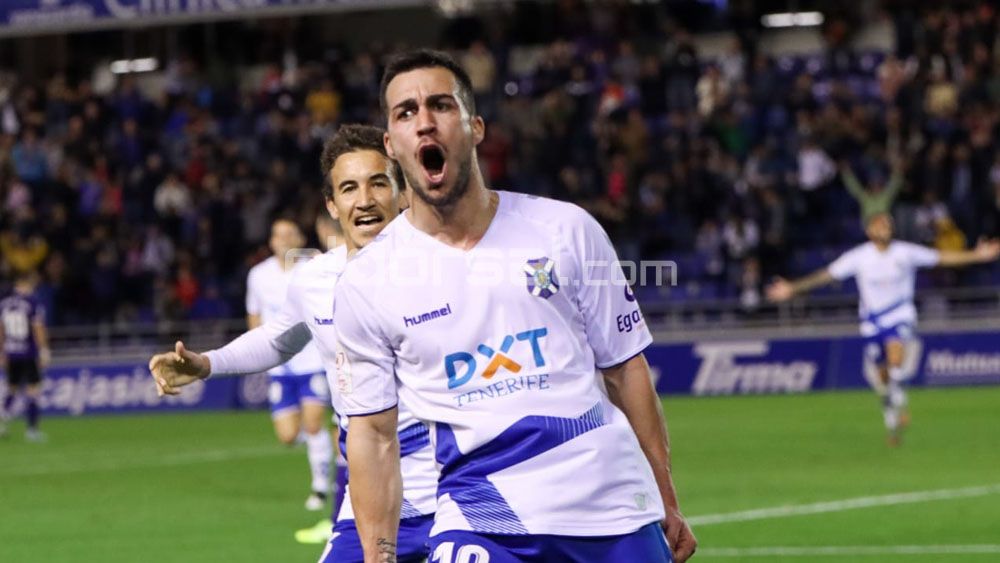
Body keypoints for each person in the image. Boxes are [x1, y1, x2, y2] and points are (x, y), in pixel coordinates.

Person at [332, 50, 696, 563]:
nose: (425, 122)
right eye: (406, 112)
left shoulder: (567, 229)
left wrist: (666, 496)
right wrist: (379, 557)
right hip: (481, 518)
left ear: (475, 127)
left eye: (441, 105)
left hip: (611, 507)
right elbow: (372, 434)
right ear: (391, 145)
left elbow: (625, 369)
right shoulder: (367, 281)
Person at [149, 124, 436, 563]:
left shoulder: (444, 270)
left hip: (451, 494)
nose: (364, 200)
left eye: (379, 183)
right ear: (332, 205)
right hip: (370, 497)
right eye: (349, 188)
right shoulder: (315, 279)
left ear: (403, 194)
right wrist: (206, 364)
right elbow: (278, 338)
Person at [767, 213, 1000, 445]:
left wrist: (977, 255)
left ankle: (896, 395)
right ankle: (891, 409)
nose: (885, 227)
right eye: (880, 224)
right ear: (869, 231)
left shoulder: (905, 252)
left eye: (888, 224)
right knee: (883, 374)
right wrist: (792, 288)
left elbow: (941, 258)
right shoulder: (859, 257)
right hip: (872, 322)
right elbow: (826, 275)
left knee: (895, 354)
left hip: (900, 315)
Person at [246, 218, 332, 511]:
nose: (282, 240)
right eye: (277, 235)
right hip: (280, 366)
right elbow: (254, 314)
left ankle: (320, 487)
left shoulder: (313, 267)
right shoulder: (258, 275)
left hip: (311, 360)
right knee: (287, 436)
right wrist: (258, 351)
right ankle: (325, 450)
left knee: (313, 424)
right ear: (271, 241)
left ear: (299, 239)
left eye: (288, 234)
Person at [0, 271, 51, 442]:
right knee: (33, 389)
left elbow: (1, 329)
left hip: (11, 351)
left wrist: (2, 351)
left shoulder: (4, 303)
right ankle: (32, 430)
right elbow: (38, 327)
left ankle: (3, 422)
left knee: (12, 388)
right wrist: (44, 350)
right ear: (25, 284)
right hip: (28, 352)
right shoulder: (32, 302)